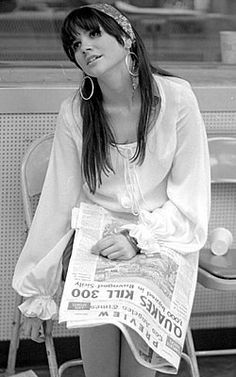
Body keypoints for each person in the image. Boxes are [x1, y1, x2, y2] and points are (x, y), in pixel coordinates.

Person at [12, 3, 211, 377]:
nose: (83, 47)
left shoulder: (177, 99)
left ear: (126, 36)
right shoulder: (75, 111)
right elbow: (59, 200)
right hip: (96, 237)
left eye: (93, 34)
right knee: (101, 363)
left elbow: (191, 200)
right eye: (74, 44)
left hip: (162, 236)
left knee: (137, 346)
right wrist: (37, 288)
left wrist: (138, 239)